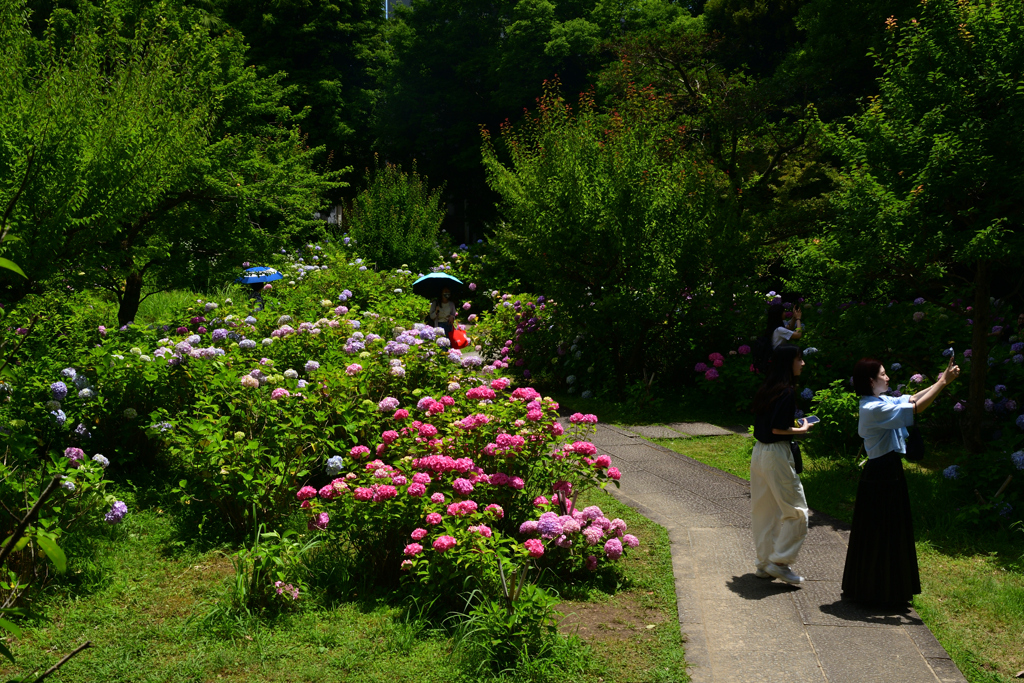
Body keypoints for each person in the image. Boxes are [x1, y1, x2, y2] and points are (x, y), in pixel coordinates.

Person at [841, 355, 960, 606]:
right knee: (880, 531)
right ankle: (876, 592)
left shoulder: (880, 400)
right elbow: (917, 408)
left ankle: (888, 588)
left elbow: (913, 399)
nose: (888, 377)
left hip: (888, 470)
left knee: (892, 529)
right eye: (883, 374)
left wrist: (941, 381)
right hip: (880, 473)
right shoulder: (872, 408)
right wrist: (942, 384)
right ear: (871, 380)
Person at [750, 344, 816, 585]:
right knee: (797, 511)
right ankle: (779, 562)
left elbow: (769, 424)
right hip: (776, 454)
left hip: (759, 454)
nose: (803, 363)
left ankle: (764, 564)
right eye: (799, 359)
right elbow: (778, 428)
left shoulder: (768, 387)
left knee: (764, 511)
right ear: (789, 362)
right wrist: (803, 429)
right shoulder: (786, 391)